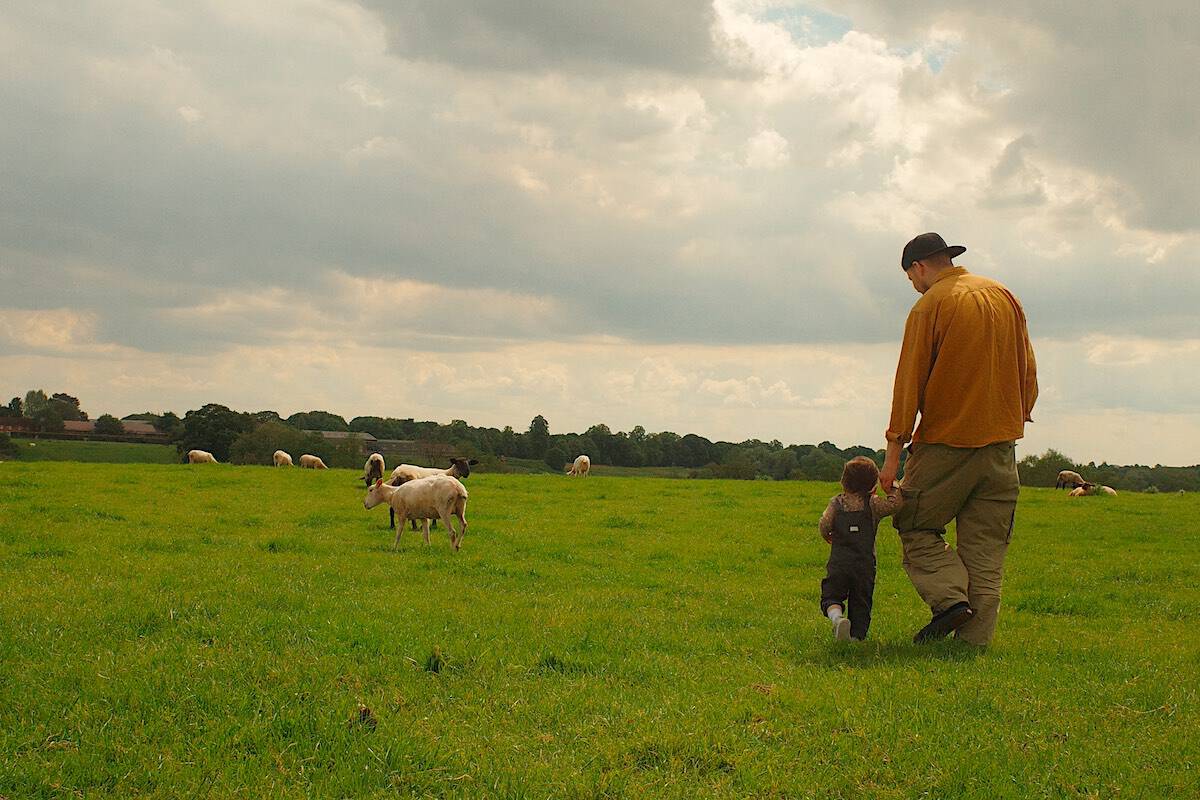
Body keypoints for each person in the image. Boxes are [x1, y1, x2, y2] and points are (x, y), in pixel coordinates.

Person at [880, 232, 1038, 645]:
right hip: (1002, 446)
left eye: (910, 277)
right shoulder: (1004, 295)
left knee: (914, 525)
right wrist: (1016, 416)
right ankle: (973, 644)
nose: (913, 285)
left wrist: (893, 453)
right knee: (985, 551)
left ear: (918, 267)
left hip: (946, 445)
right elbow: (1028, 369)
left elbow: (908, 383)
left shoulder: (930, 305)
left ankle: (950, 602)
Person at [819, 456, 903, 641]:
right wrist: (894, 487)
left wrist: (827, 535)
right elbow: (894, 505)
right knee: (861, 602)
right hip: (864, 565)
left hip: (839, 563)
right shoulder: (873, 504)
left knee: (832, 595)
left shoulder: (836, 503)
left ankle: (837, 618)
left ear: (844, 482)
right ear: (873, 484)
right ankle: (857, 638)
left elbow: (824, 523)